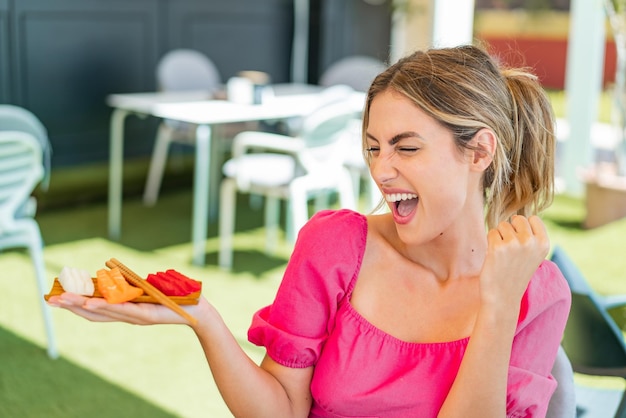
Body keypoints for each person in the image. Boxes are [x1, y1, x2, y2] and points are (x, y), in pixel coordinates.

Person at [48, 45, 571, 417]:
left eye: (406, 147)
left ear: (478, 152)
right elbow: (282, 408)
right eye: (373, 147)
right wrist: (202, 319)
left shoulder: (537, 295)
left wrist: (498, 306)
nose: (382, 171)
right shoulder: (337, 246)